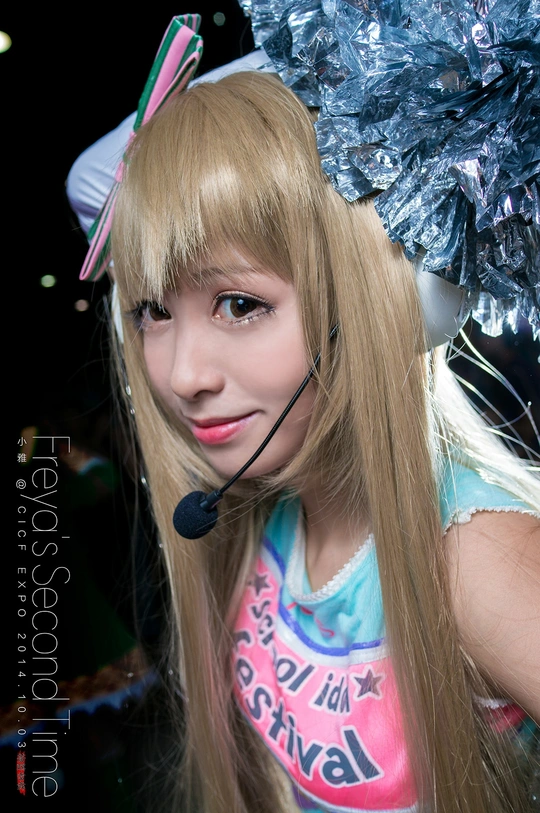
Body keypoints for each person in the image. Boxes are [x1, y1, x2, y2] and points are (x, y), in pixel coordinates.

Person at [67, 9, 540, 813]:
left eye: (239, 304)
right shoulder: (267, 515)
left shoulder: (477, 561)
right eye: (152, 311)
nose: (181, 375)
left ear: (380, 304)